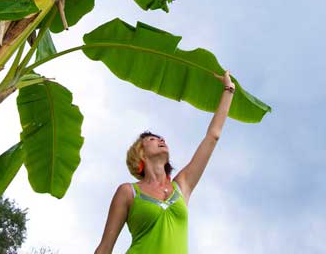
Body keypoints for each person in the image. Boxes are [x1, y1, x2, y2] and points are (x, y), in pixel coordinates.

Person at [94, 69, 236, 253]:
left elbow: (212, 136)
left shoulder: (182, 185)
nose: (161, 140)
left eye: (161, 138)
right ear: (141, 153)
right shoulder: (128, 192)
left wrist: (228, 89)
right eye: (152, 139)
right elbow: (105, 247)